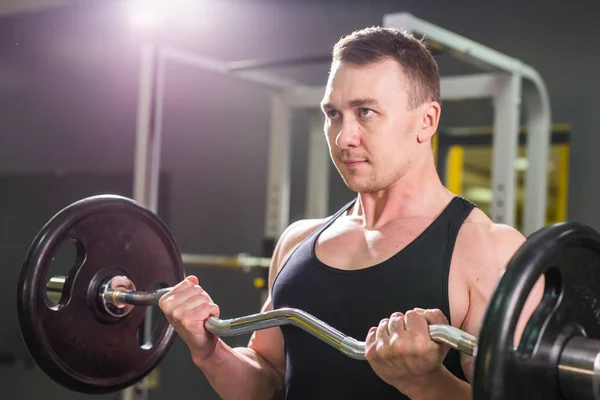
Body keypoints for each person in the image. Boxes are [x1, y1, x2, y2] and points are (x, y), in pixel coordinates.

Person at [159, 26, 543, 399]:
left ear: (426, 121)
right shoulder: (297, 242)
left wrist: (427, 384)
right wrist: (210, 351)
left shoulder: (488, 250)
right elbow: (268, 381)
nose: (343, 137)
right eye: (333, 114)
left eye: (366, 112)